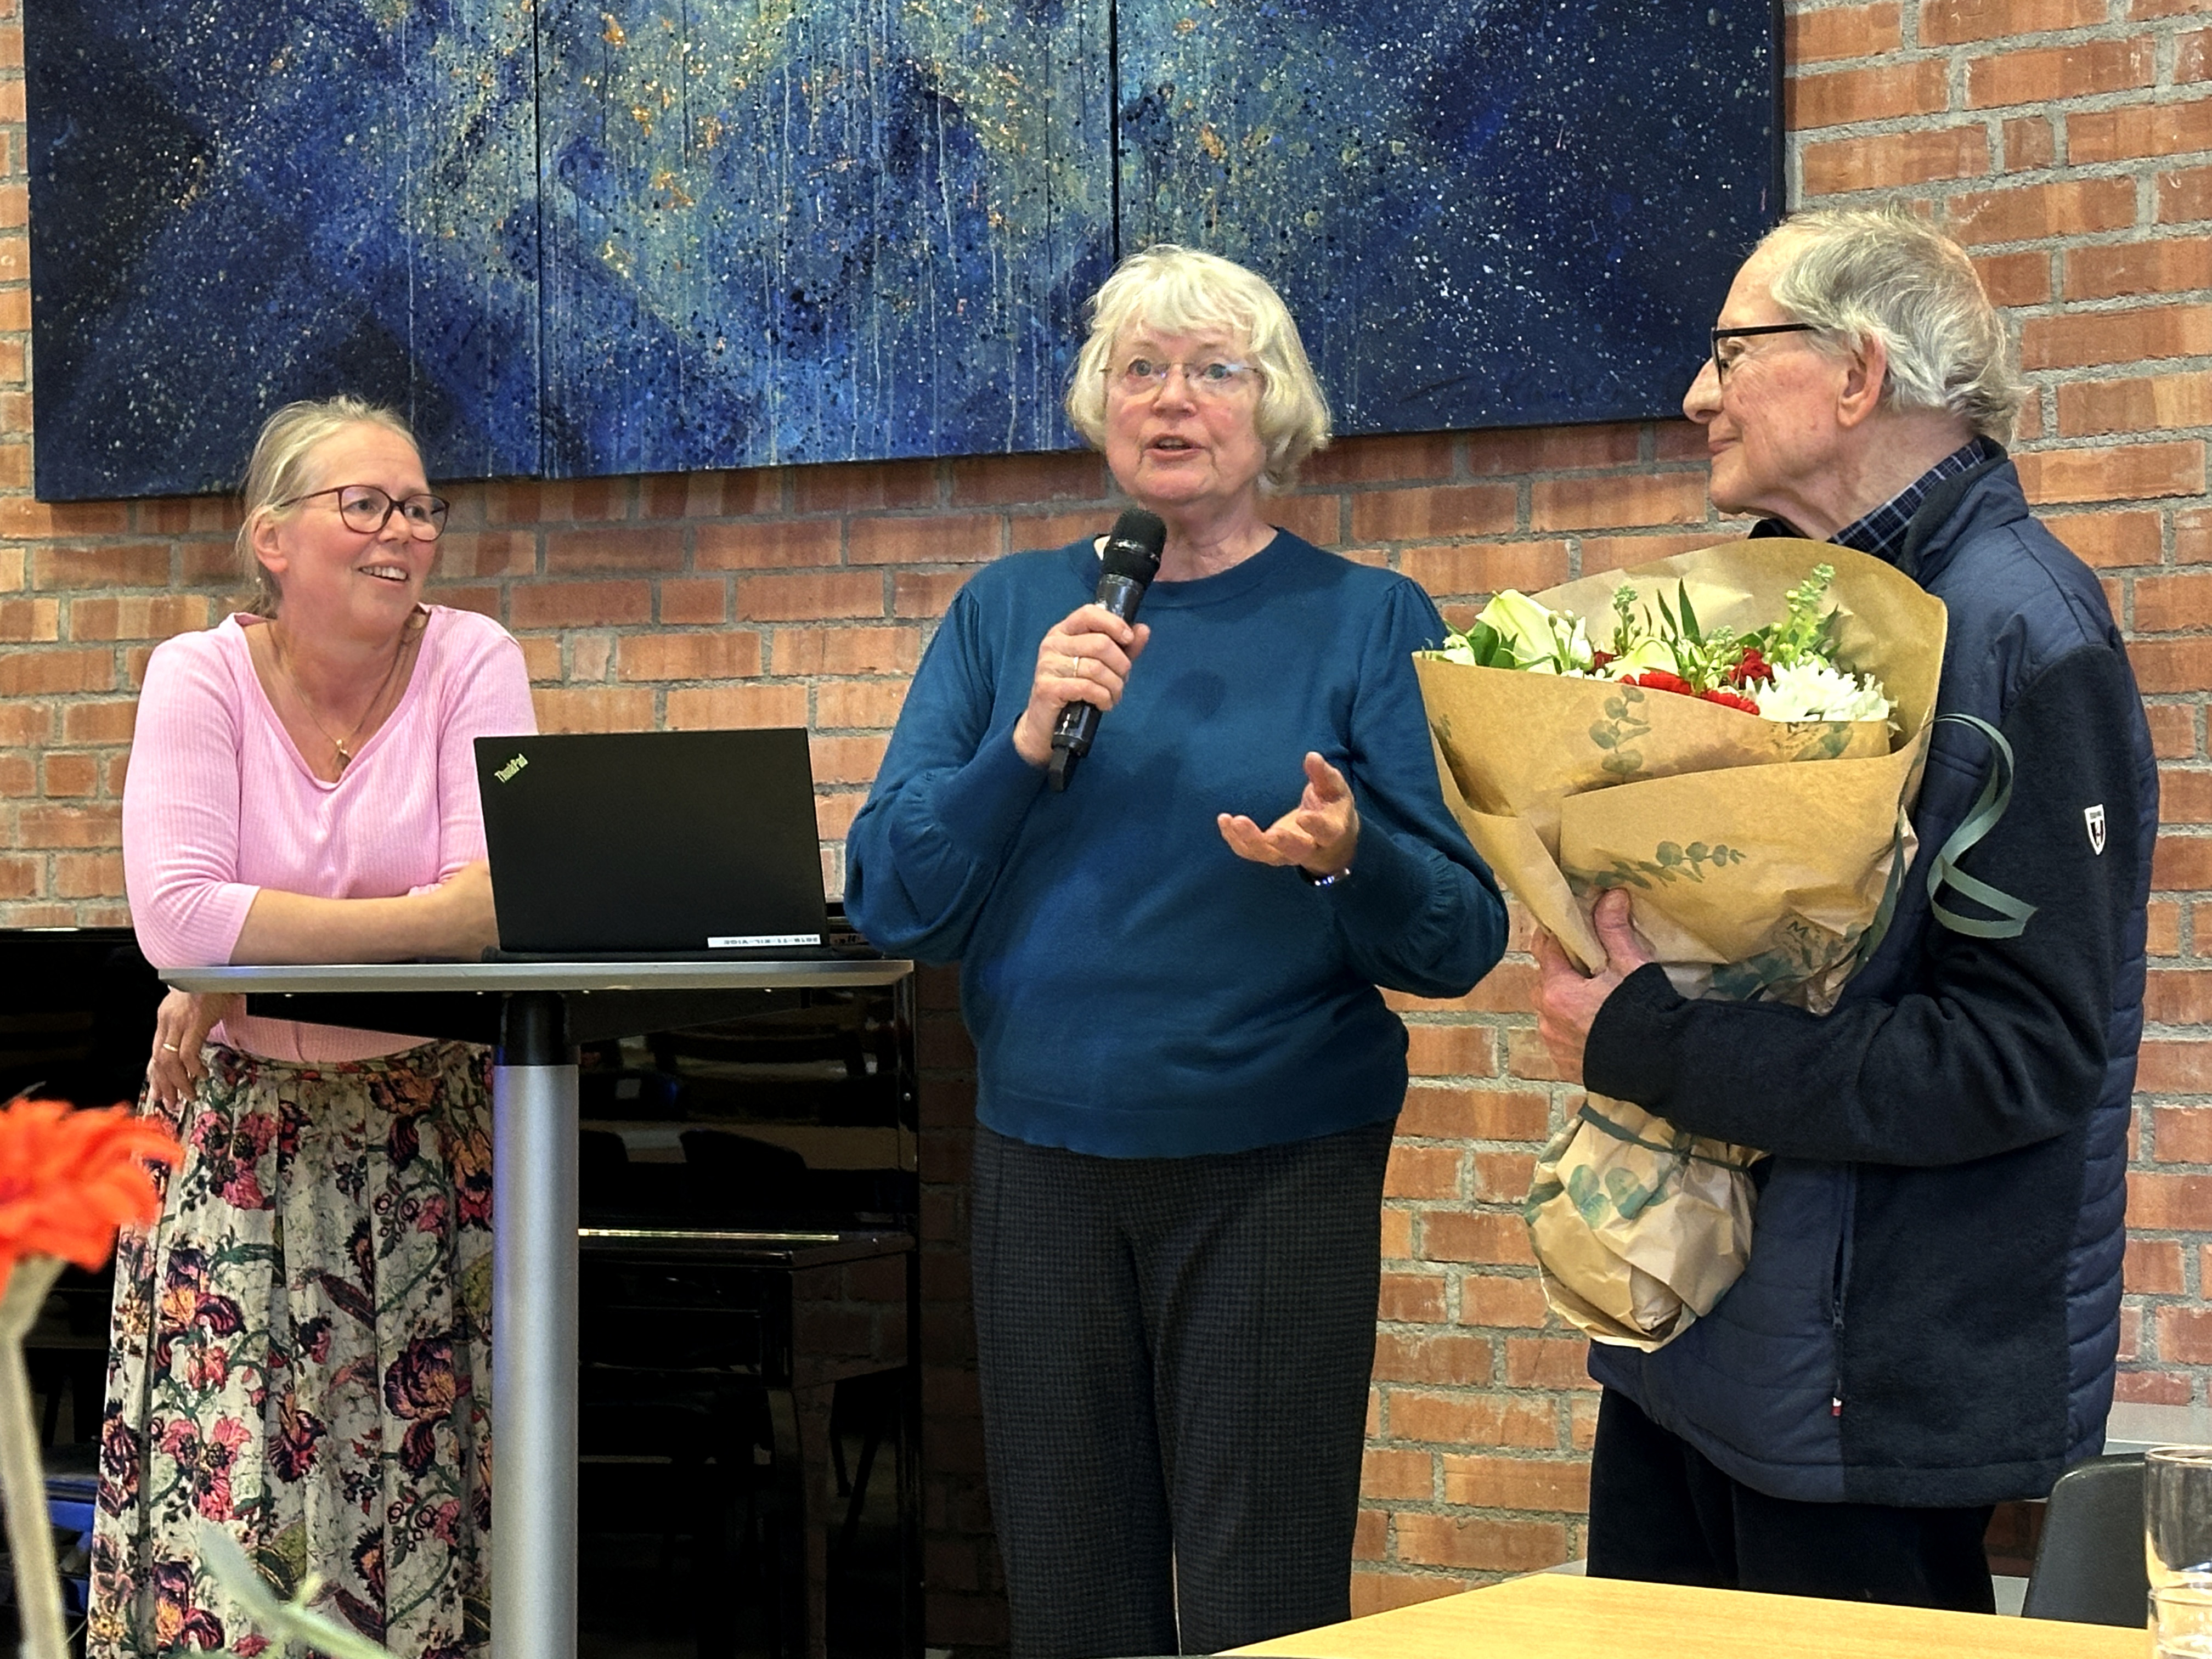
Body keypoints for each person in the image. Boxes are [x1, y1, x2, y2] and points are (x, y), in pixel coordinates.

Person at [844, 244, 1506, 1656]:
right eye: (1139, 369)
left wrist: (1355, 856)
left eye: (1215, 370)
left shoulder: (1369, 618)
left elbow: (1463, 936)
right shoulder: (1011, 615)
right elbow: (896, 898)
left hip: (1276, 1166)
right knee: (1073, 1596)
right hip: (1043, 1169)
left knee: (1265, 1598)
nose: (1173, 400)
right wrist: (1020, 748)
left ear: (1276, 413)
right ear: (1099, 407)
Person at [1533, 206, 2156, 1610]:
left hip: (1865, 1395)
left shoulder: (2024, 637)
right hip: (1691, 1343)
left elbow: (2021, 1056)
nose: (1698, 394)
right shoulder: (1774, 604)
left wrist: (1647, 1040)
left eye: (1732, 350)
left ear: (1858, 376)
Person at [92, 397, 537, 1659]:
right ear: (272, 537)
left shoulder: (474, 661)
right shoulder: (200, 674)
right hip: (236, 1152)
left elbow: (503, 906)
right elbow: (176, 918)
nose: (402, 531)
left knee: (416, 1509)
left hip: (419, 1150)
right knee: (231, 1519)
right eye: (366, 504)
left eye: (418, 507)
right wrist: (228, 960)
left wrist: (252, 964)